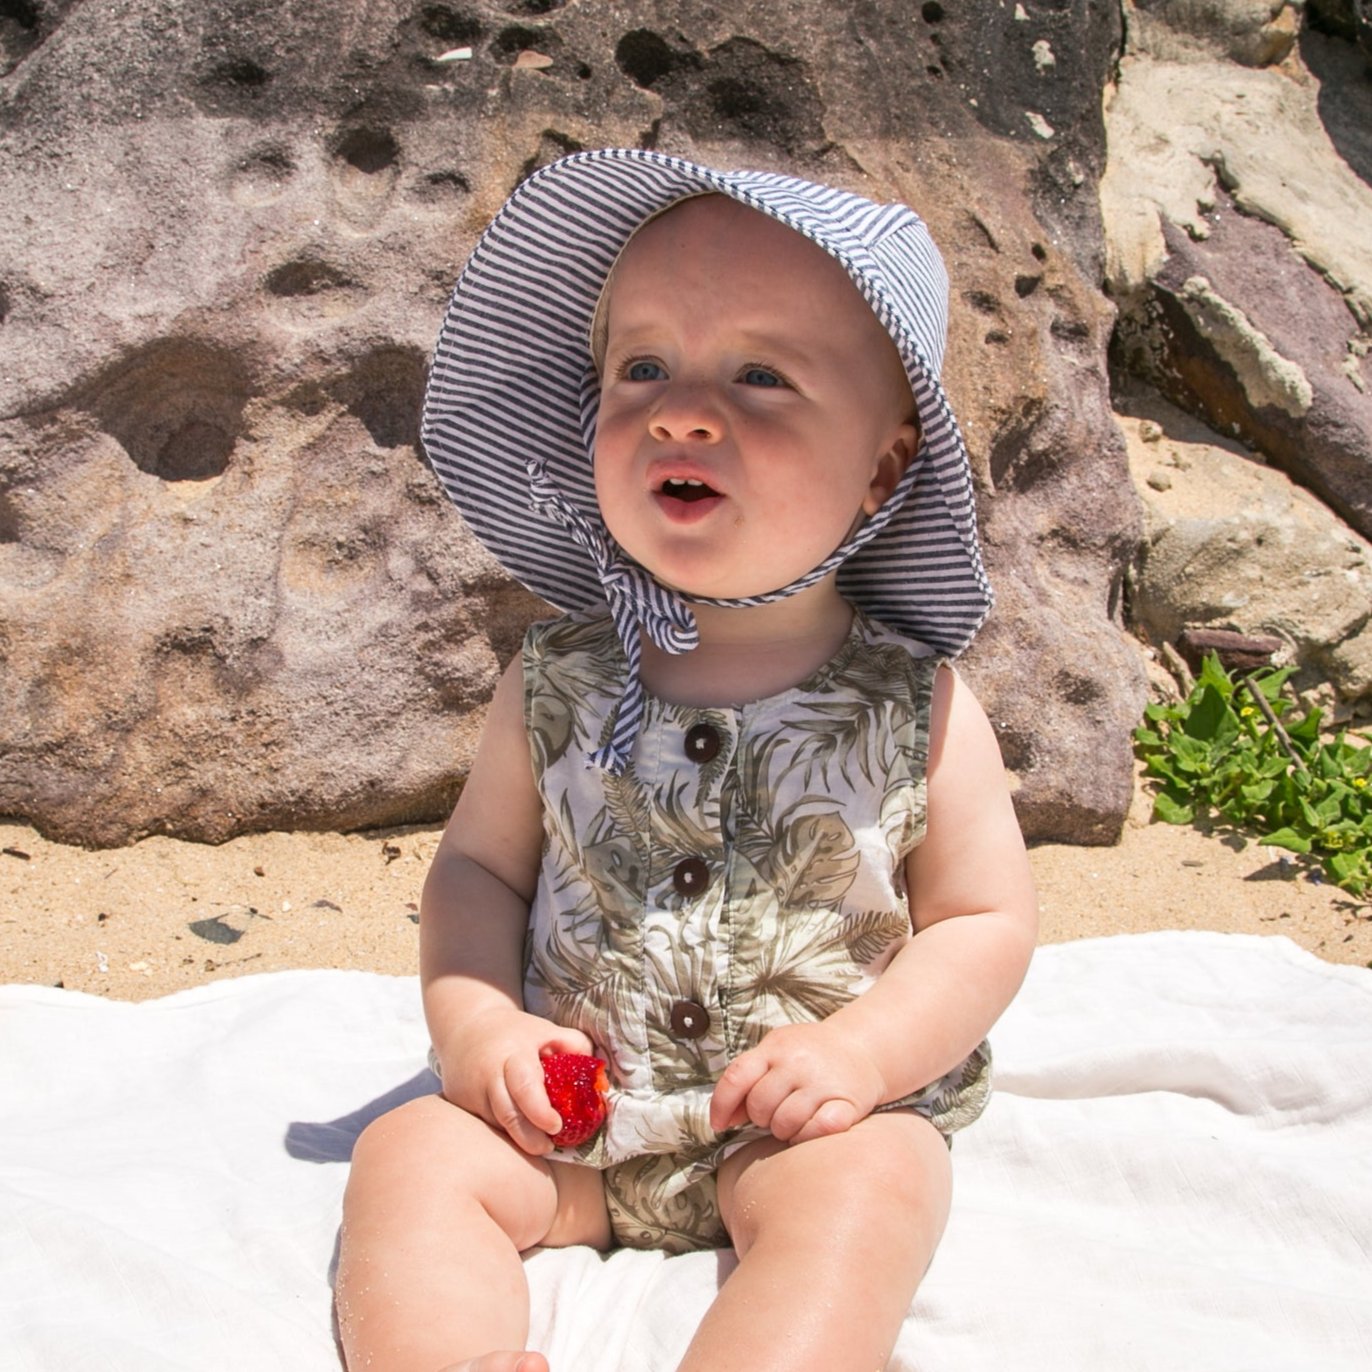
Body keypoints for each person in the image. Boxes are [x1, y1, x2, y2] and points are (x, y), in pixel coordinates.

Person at [335, 148, 1037, 1372]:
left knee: (873, 1192)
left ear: (883, 463)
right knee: (406, 1157)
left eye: (761, 375)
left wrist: (861, 1056)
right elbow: (475, 876)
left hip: (799, 1127)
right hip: (570, 1126)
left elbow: (982, 918)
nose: (681, 408)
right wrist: (478, 1028)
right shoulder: (555, 678)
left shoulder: (912, 697)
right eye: (642, 365)